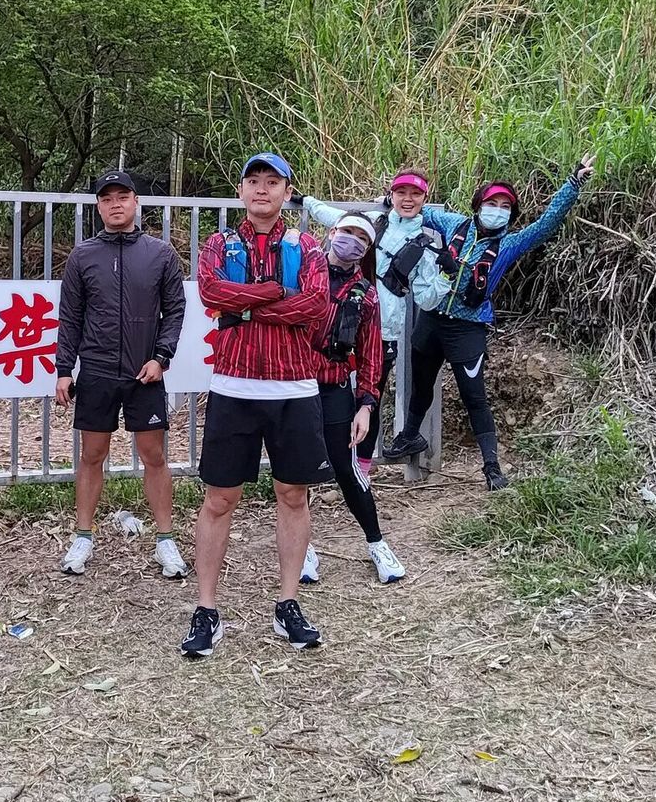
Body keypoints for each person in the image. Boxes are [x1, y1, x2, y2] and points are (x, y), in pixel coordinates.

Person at [181, 152, 331, 659]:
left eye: (272, 181)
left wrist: (245, 306)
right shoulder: (218, 244)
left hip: (295, 388)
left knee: (293, 495)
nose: (262, 189)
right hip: (234, 387)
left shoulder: (307, 246)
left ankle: (288, 603)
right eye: (253, 181)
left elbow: (314, 305)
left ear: (287, 192)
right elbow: (211, 293)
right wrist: (273, 294)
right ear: (241, 191)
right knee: (219, 498)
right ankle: (206, 609)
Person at [384, 157, 596, 490]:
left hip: (467, 328)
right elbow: (418, 209)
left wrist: (573, 184)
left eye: (504, 206)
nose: (497, 210)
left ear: (511, 214)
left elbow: (545, 225)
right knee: (420, 385)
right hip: (431, 319)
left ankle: (492, 467)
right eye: (491, 203)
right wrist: (388, 201)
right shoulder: (455, 224)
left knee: (474, 397)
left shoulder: (509, 244)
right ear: (478, 205)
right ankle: (410, 436)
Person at [53, 170, 188, 579]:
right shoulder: (82, 256)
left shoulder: (160, 254)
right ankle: (83, 536)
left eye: (123, 196)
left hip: (145, 373)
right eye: (107, 198)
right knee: (92, 455)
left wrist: (161, 358)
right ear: (98, 206)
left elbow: (175, 310)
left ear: (135, 202)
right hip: (95, 371)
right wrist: (64, 369)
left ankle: (165, 540)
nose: (116, 204)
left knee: (154, 456)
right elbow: (70, 316)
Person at [300, 169, 449, 487]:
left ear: (424, 198)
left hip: (384, 332)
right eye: (401, 192)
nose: (407, 199)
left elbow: (426, 298)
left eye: (415, 194)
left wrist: (445, 276)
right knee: (324, 394)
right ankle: (322, 465)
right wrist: (307, 201)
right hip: (340, 327)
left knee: (369, 400)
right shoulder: (373, 223)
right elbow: (334, 218)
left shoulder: (425, 244)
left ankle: (362, 472)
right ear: (391, 195)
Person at [303, 211, 406, 584]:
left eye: (362, 238)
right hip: (294, 385)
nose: (353, 242)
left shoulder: (367, 295)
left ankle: (377, 543)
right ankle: (301, 547)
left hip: (333, 387)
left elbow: (371, 356)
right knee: (295, 472)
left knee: (347, 470)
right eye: (347, 232)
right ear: (332, 233)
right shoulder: (302, 272)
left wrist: (365, 404)